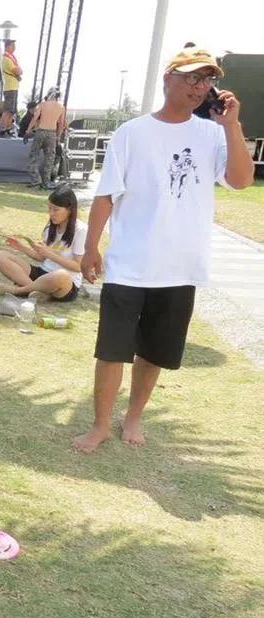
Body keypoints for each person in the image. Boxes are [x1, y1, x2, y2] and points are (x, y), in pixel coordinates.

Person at [74, 46, 253, 453]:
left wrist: (232, 126)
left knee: (154, 351)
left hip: (180, 266)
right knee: (112, 351)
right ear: (168, 79)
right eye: (192, 77)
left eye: (207, 80)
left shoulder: (213, 134)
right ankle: (100, 424)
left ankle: (133, 416)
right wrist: (91, 248)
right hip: (129, 263)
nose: (200, 87)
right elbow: (106, 196)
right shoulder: (132, 133)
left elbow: (241, 180)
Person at [0, 185, 85, 302]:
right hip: (42, 274)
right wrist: (21, 247)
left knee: (61, 275)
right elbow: (41, 257)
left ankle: (17, 290)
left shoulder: (81, 230)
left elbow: (77, 267)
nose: (51, 213)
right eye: (49, 209)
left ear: (70, 210)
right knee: (0, 255)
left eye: (55, 209)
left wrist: (51, 254)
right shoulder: (50, 227)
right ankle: (37, 291)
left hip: (65, 283)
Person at [25, 87, 66, 188]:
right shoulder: (61, 107)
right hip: (52, 134)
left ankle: (36, 180)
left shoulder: (43, 104)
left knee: (33, 156)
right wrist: (58, 137)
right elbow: (61, 124)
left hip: (40, 132)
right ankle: (46, 182)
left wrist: (28, 131)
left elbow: (35, 118)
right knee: (49, 159)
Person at [0, 39, 23, 113]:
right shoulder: (7, 59)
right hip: (10, 87)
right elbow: (17, 71)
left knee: (12, 111)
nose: (14, 47)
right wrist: (19, 70)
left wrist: (19, 70)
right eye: (12, 46)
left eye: (14, 46)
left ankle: (8, 124)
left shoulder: (11, 58)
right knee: (8, 111)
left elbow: (20, 71)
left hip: (14, 86)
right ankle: (4, 124)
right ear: (6, 47)